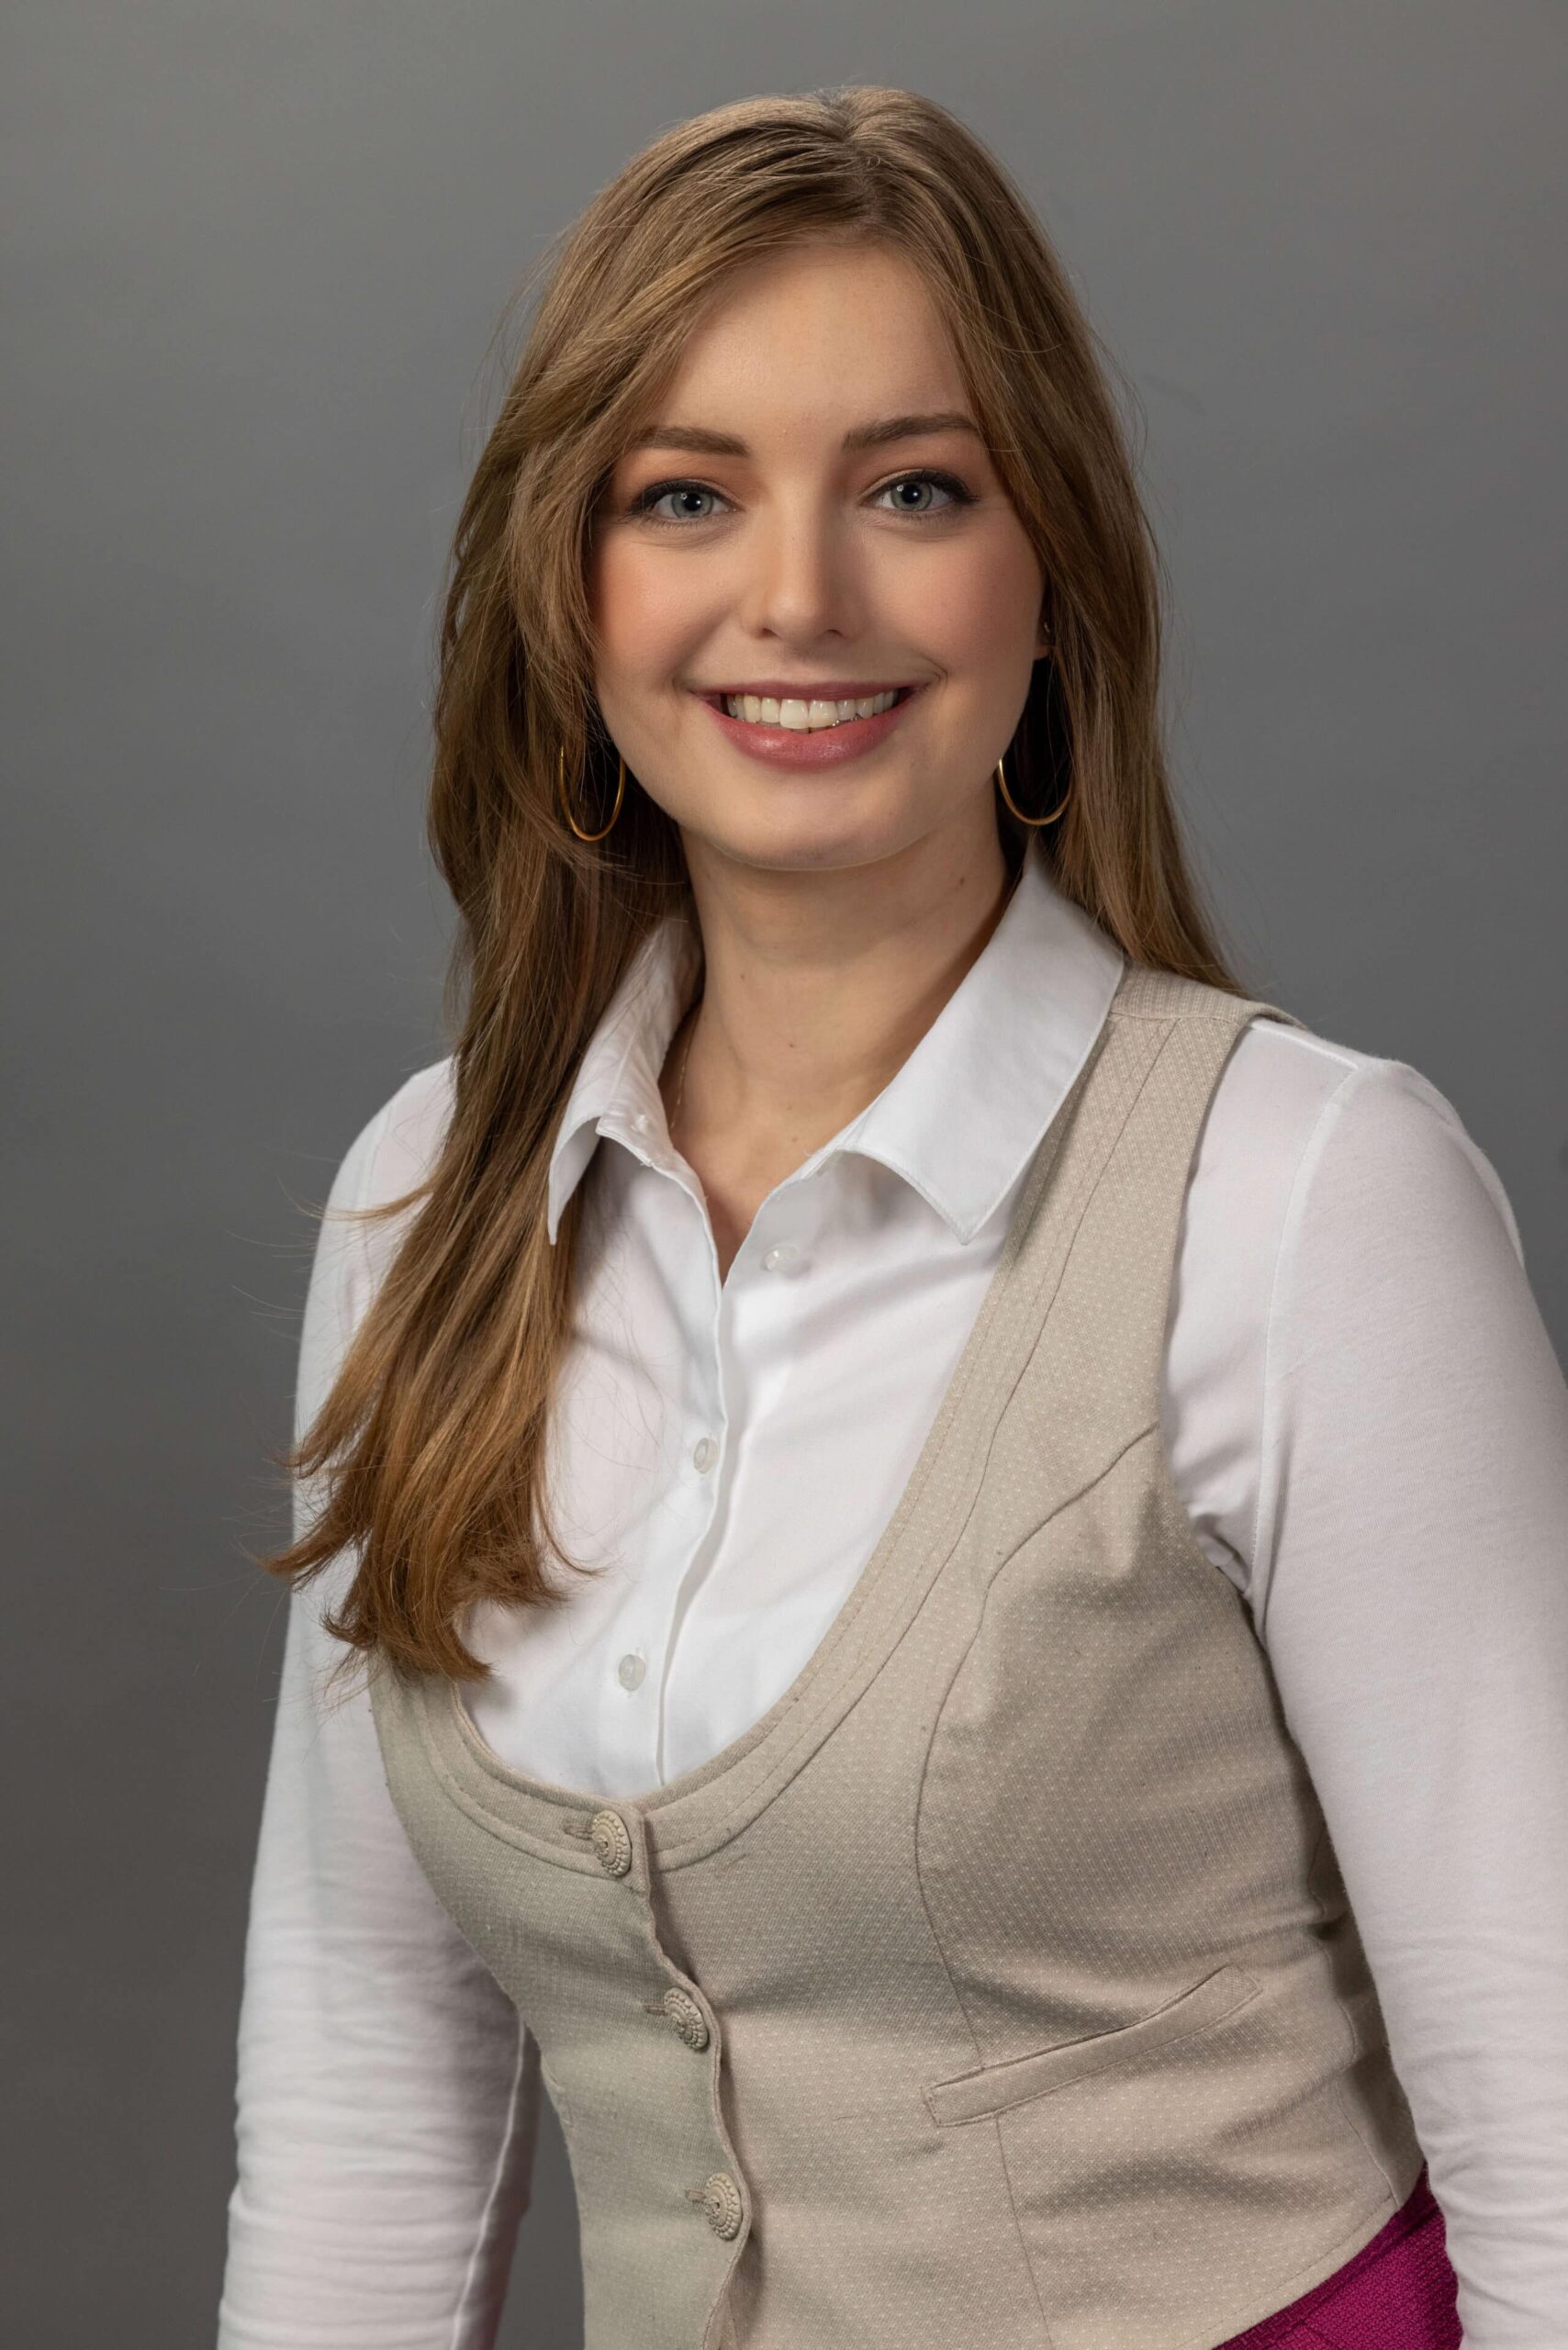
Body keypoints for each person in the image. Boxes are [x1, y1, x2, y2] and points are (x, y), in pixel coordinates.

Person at [216, 87, 1567, 2350]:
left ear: (1050, 569)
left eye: (913, 489)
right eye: (685, 495)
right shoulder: (419, 1199)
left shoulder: (1308, 1195)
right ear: (577, 583)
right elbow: (371, 2085)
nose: (797, 598)